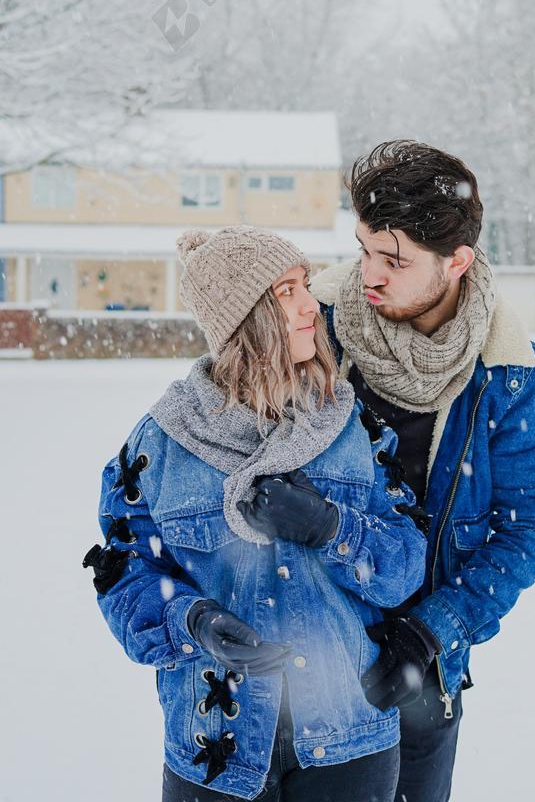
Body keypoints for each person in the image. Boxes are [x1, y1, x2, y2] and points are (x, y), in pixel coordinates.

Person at [82, 225, 430, 802]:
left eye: (304, 286)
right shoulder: (160, 446)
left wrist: (331, 527)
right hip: (214, 742)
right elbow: (121, 568)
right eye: (285, 292)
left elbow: (403, 569)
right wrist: (191, 620)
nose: (308, 306)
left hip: (349, 739)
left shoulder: (352, 432)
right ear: (242, 320)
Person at [309, 140, 535, 802]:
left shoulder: (510, 375)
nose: (369, 273)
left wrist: (433, 629)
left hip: (425, 671)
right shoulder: (315, 327)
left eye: (393, 260)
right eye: (364, 249)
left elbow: (528, 529)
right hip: (309, 659)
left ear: (456, 262)